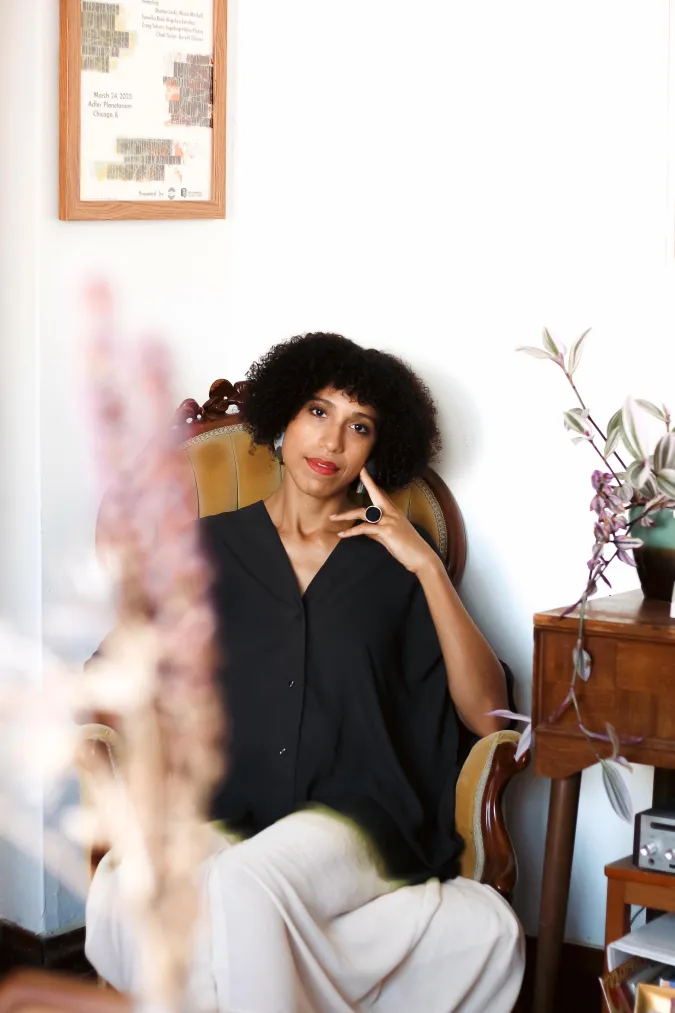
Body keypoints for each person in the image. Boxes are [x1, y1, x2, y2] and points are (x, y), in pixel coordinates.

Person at [85, 332, 525, 1013]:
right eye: (317, 412)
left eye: (358, 426)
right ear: (284, 420)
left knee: (241, 885)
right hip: (227, 805)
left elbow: (487, 713)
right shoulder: (205, 547)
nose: (330, 442)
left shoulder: (394, 564)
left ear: (377, 448)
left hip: (357, 814)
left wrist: (426, 567)